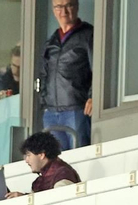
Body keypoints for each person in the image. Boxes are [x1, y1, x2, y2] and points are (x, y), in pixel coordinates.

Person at [40, 0, 94, 147]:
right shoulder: (52, 41)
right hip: (51, 112)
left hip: (76, 109)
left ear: (76, 6)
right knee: (56, 163)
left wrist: (93, 96)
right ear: (53, 9)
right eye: (58, 7)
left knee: (79, 158)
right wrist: (44, 103)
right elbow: (44, 74)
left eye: (68, 5)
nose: (63, 11)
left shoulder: (88, 35)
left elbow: (100, 70)